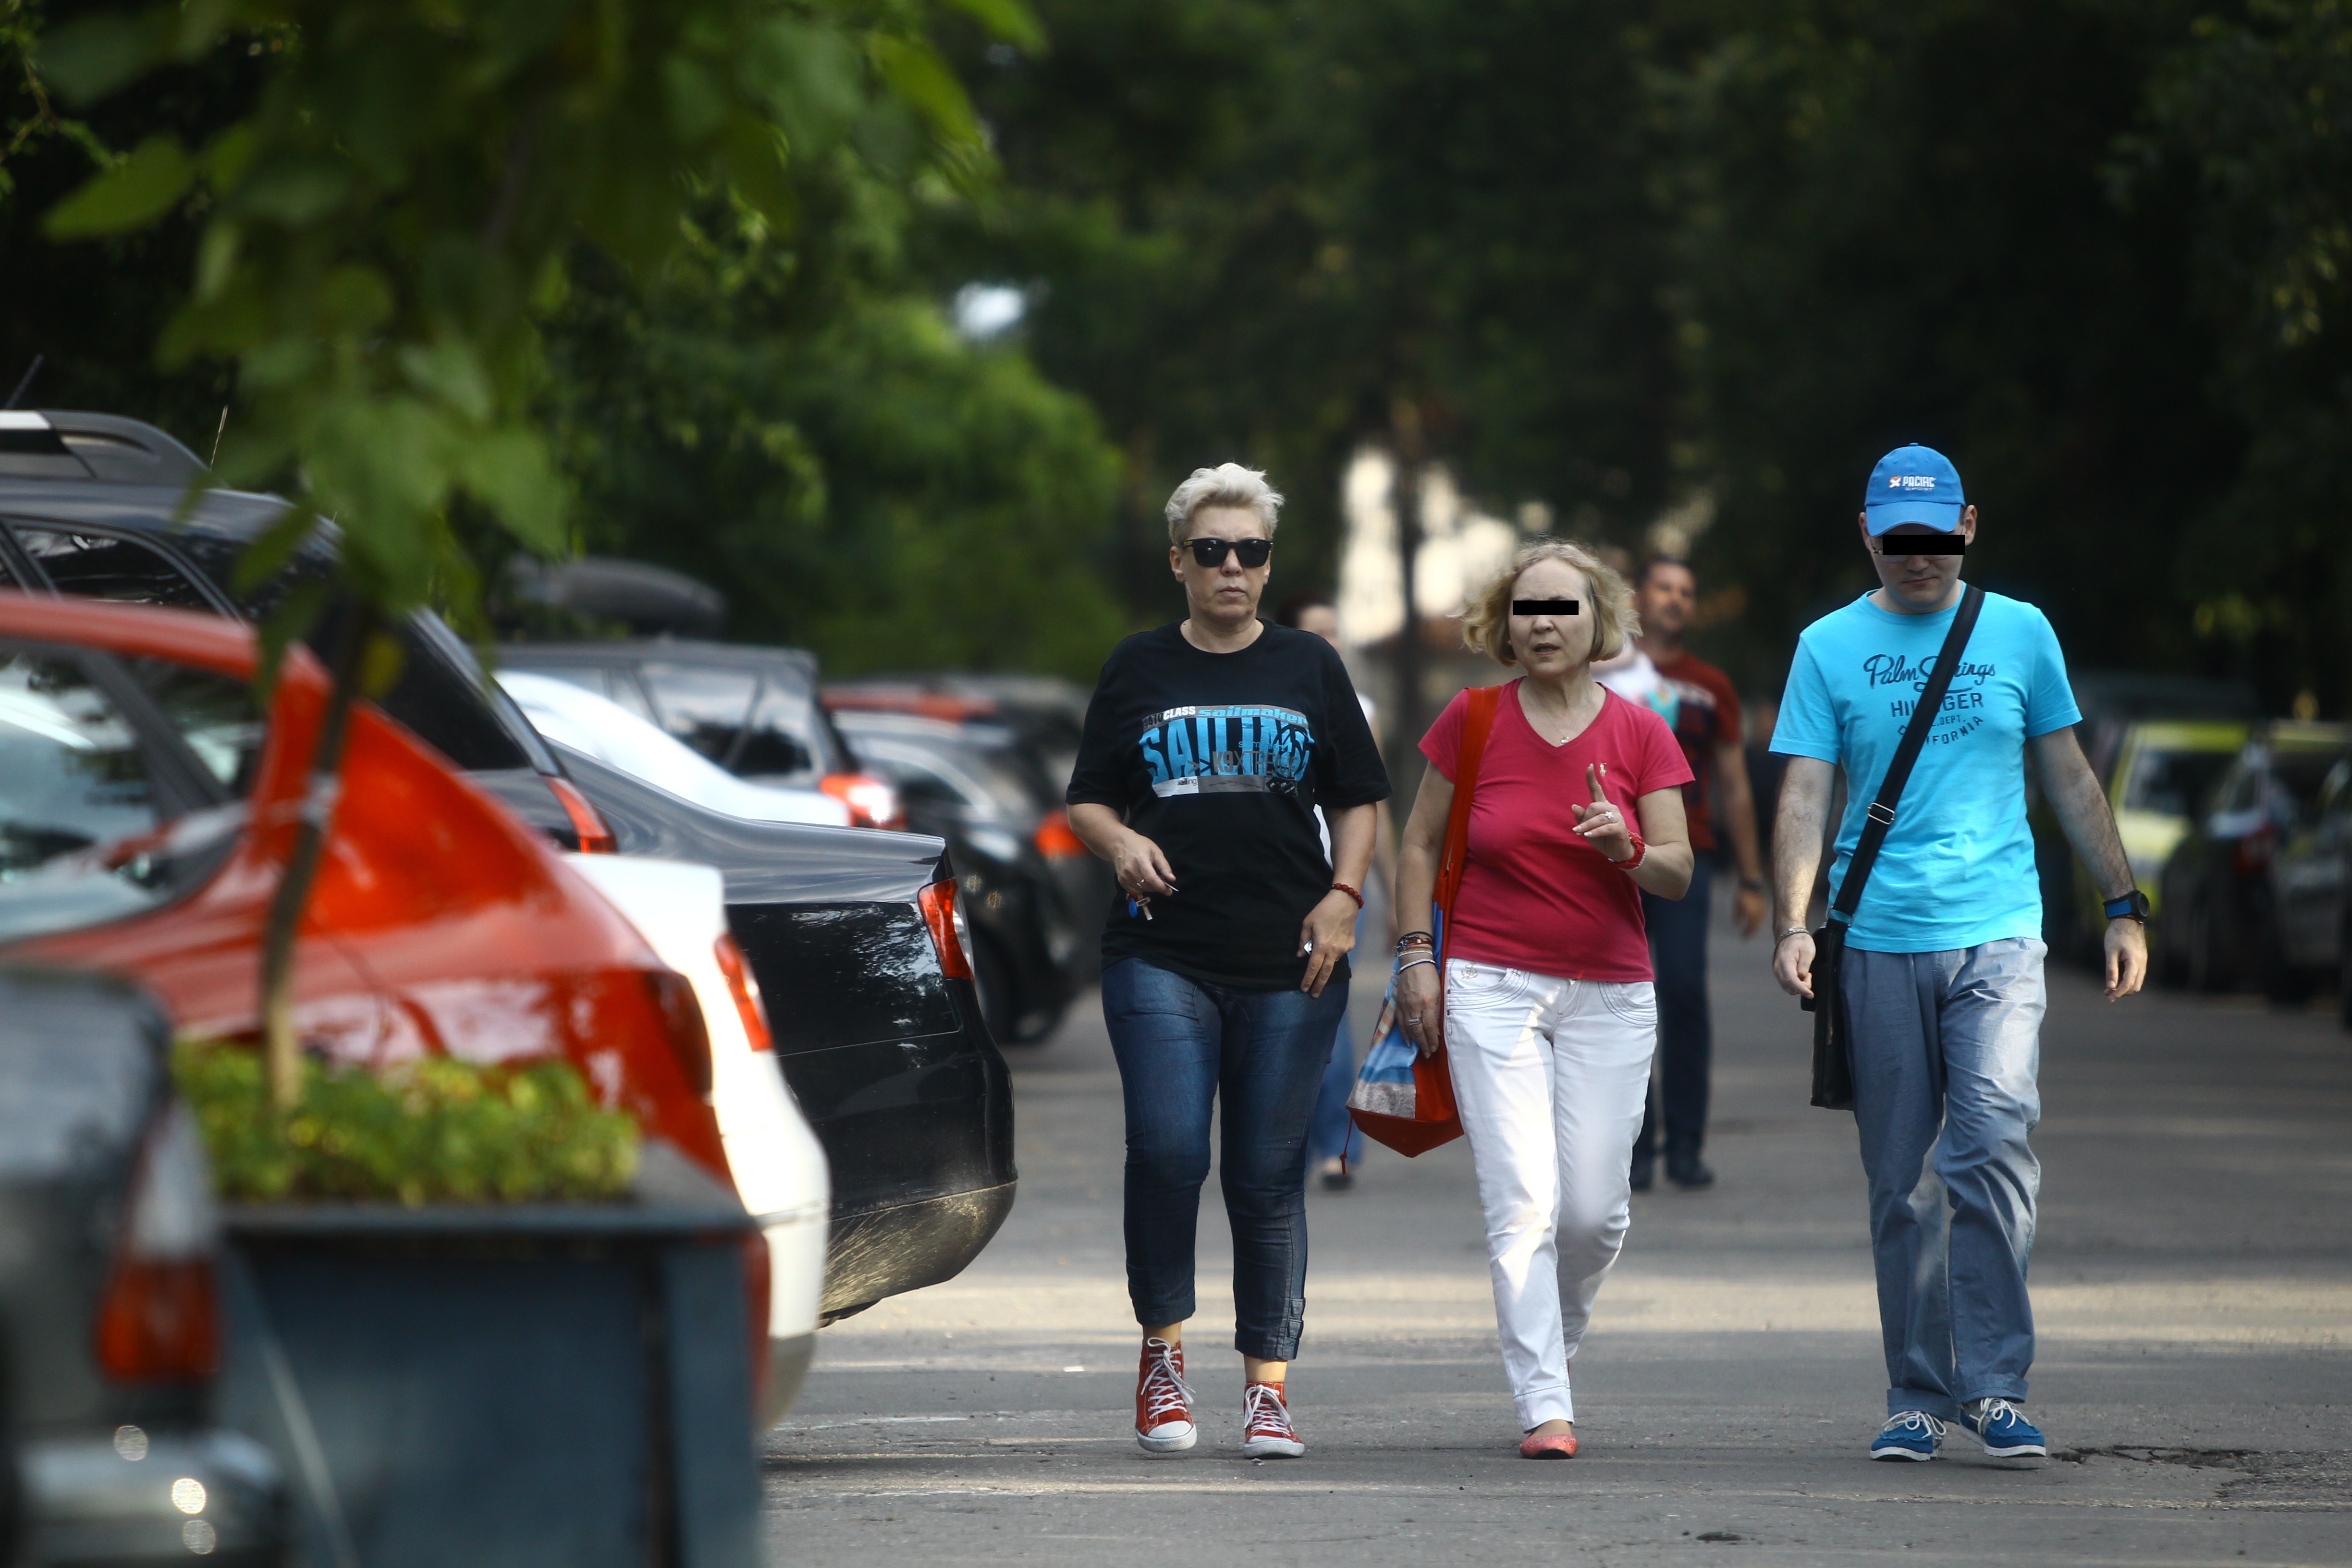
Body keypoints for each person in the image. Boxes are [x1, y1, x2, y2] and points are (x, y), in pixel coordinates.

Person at [1769, 444, 2147, 1464]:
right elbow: (1806, 790)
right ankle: (1915, 1393)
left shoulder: (2020, 633)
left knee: (1991, 1152)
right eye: (1900, 541)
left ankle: (1996, 1385)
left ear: (1967, 525)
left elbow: (2067, 772)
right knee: (1904, 1181)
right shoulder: (1826, 645)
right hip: (1876, 941)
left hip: (1999, 936)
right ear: (1869, 537)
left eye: (1936, 537)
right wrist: (1793, 921)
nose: (1919, 557)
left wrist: (2123, 902)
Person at [1066, 464, 1390, 1460]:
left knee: (1265, 1173)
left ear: (1268, 563)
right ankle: (1162, 1356)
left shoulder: (1309, 666)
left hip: (1288, 958)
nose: (1232, 568)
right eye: (1211, 551)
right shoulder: (1136, 666)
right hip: (1159, 951)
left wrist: (1344, 900)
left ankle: (1266, 1386)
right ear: (1179, 563)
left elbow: (1360, 800)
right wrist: (1118, 844)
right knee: (1168, 1150)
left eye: (1250, 551)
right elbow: (1087, 796)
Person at [1391, 539, 1694, 1460]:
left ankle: (1549, 1347)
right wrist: (1415, 958)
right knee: (1522, 1200)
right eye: (1528, 609)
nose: (1545, 623)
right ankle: (1544, 1400)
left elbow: (1678, 873)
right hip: (1491, 980)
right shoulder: (1473, 719)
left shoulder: (1642, 730)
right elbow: (1415, 846)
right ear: (1504, 626)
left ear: (1599, 621)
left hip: (1611, 990)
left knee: (1594, 1211)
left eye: (1563, 607)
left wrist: (1627, 849)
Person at [1596, 558, 1769, 1191]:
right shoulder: (1598, 671)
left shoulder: (1709, 686)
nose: (1675, 600)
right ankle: (1635, 1149)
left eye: (1687, 593)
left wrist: (1751, 880)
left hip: (1682, 861)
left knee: (1685, 997)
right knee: (1621, 1001)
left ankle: (1688, 1146)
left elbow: (1735, 786)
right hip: (1608, 865)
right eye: (1664, 588)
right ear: (1640, 597)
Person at [1274, 589, 1399, 1191]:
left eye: (1336, 634)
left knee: (1330, 1012)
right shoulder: (1271, 697)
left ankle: (1335, 1147)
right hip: (1284, 877)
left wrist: (1390, 887)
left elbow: (1373, 805)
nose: (1331, 646)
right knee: (1282, 1016)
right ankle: (1289, 1145)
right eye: (1317, 634)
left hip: (1341, 880)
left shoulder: (1360, 706)